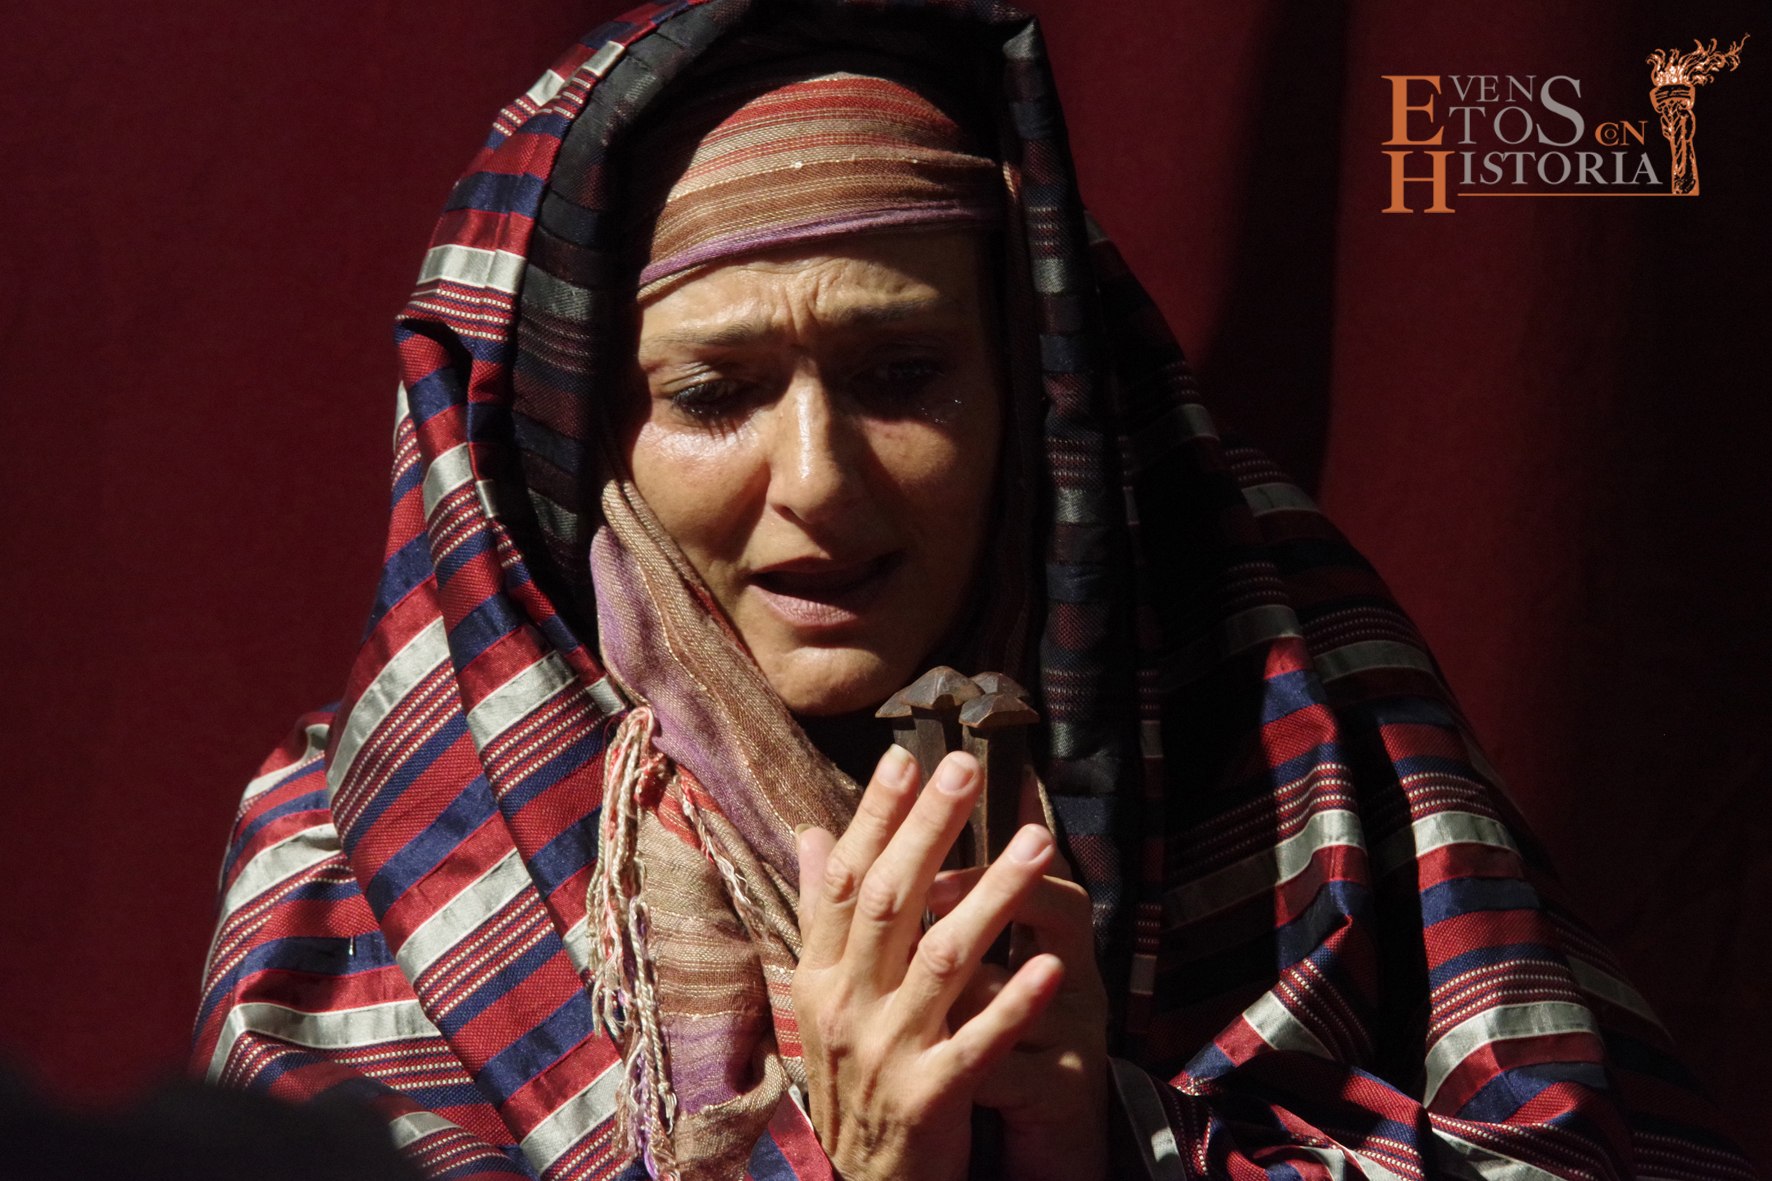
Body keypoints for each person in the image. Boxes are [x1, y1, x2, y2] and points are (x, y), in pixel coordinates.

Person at [193, 2, 1753, 1179]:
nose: (819, 483)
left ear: (1032, 390)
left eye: (901, 375)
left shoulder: (1297, 745)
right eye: (717, 394)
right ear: (584, 437)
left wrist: (1109, 1142)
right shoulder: (365, 870)